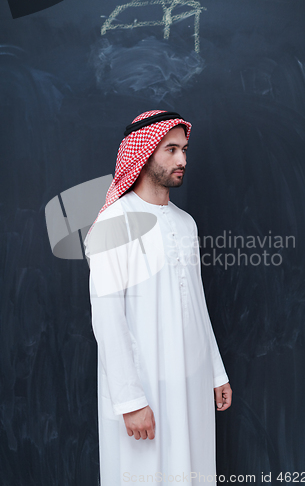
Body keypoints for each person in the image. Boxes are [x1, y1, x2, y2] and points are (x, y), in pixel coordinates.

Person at [84, 110, 232, 485]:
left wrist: (216, 373)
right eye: (171, 149)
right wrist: (131, 401)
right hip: (144, 388)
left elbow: (196, 305)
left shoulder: (185, 223)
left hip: (191, 383)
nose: (182, 159)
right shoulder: (114, 222)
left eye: (184, 149)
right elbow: (107, 318)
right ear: (145, 153)